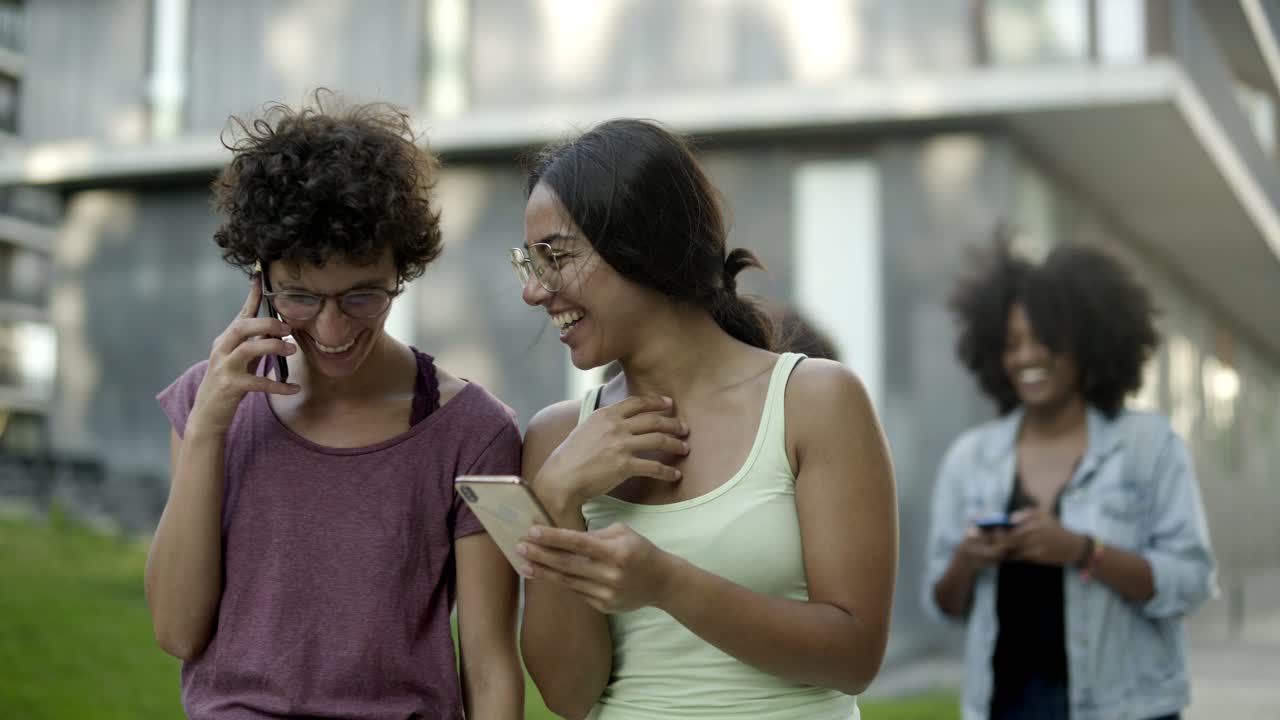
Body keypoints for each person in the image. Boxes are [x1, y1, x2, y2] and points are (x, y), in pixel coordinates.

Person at [144, 93, 523, 719]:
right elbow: (177, 632)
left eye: (361, 297)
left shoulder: (476, 434)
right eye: (298, 297)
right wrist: (210, 424)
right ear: (261, 277)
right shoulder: (206, 402)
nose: (329, 328)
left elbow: (488, 666)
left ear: (402, 268)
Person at [512, 118, 898, 720]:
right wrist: (557, 498)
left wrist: (667, 583)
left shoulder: (814, 401)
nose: (535, 292)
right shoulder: (556, 440)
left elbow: (853, 657)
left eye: (555, 257)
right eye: (529, 263)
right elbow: (569, 696)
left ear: (643, 245)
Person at [923, 237, 1216, 720]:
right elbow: (945, 603)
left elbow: (1191, 582)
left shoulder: (1149, 447)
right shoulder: (969, 459)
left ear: (1088, 342)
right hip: (1006, 707)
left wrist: (1084, 551)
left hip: (1127, 709)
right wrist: (966, 560)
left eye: (1043, 339)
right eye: (1012, 342)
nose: (1025, 357)